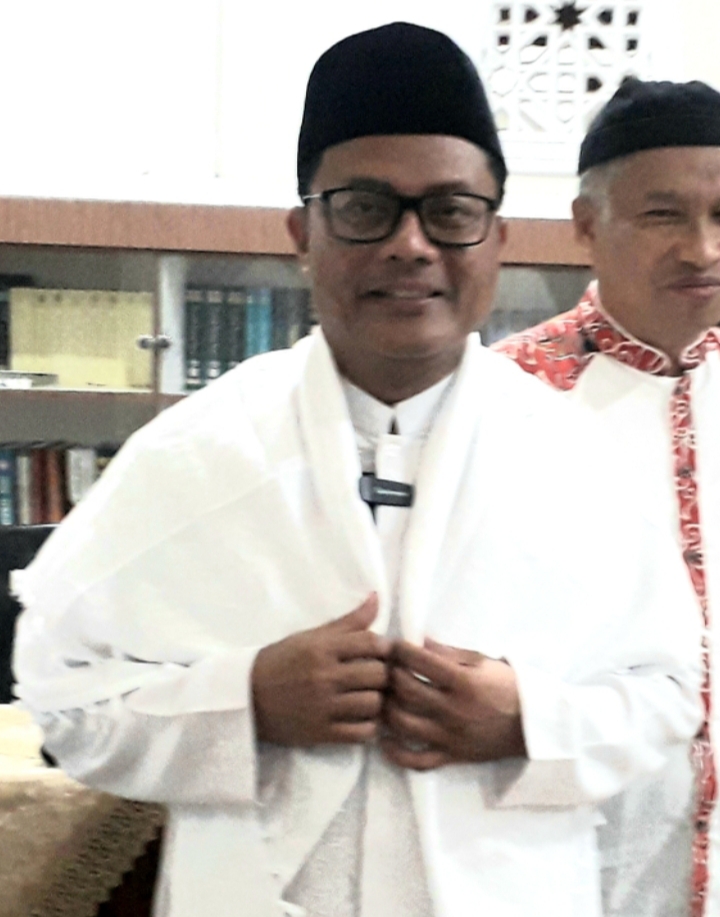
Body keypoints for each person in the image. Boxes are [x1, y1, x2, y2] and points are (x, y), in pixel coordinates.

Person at [13, 26, 702, 917]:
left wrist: (526, 719)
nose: (411, 245)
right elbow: (64, 701)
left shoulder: (577, 462)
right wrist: (245, 701)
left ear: (496, 239)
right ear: (303, 233)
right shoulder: (196, 455)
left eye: (451, 211)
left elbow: (668, 698)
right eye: (365, 207)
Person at [494, 77, 720, 917]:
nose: (702, 248)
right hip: (569, 863)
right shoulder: (501, 403)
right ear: (587, 224)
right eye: (664, 216)